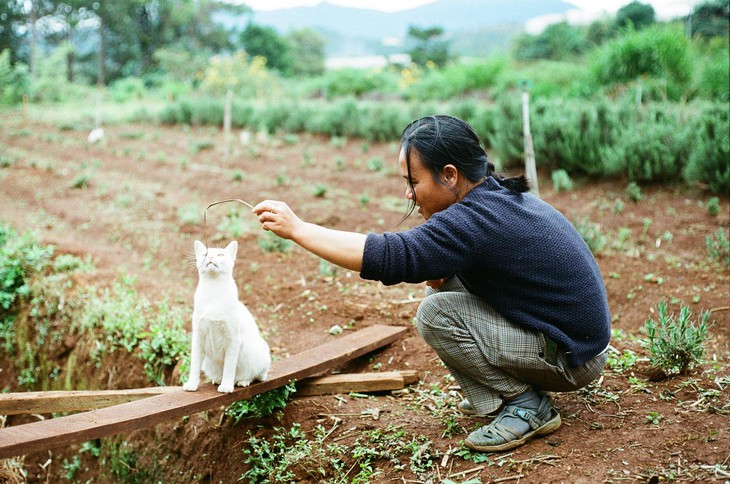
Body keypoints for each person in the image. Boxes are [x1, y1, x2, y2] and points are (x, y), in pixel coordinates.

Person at [252, 115, 611, 452]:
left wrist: (299, 229)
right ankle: (502, 392)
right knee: (441, 287)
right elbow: (436, 262)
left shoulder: (473, 221)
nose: (408, 193)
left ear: (450, 176)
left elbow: (390, 256)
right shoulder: (493, 195)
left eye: (413, 182)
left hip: (571, 358)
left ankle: (526, 406)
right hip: (576, 341)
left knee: (436, 313)